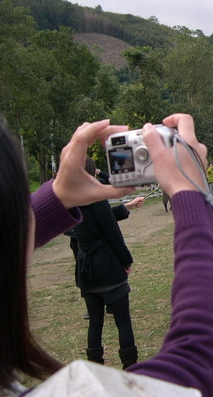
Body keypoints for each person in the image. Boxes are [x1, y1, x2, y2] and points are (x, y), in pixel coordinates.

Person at [0, 115, 213, 396]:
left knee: (96, 320)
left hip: (86, 275)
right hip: (110, 273)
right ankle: (126, 358)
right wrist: (190, 194)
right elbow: (201, 357)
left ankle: (96, 355)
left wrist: (58, 195)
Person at [73, 158, 139, 369]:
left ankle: (95, 368)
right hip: (107, 268)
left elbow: (94, 222)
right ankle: (130, 368)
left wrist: (125, 207)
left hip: (86, 270)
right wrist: (126, 260)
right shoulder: (96, 197)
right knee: (123, 321)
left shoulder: (70, 199)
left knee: (95, 322)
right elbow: (111, 231)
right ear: (93, 172)